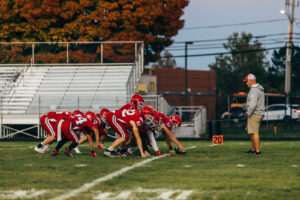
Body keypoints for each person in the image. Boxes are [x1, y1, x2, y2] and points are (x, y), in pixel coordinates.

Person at [243, 74, 265, 155]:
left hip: (254, 113)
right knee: (252, 131)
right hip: (258, 112)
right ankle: (253, 150)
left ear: (252, 80)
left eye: (247, 81)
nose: (246, 83)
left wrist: (248, 113)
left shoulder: (254, 90)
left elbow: (252, 105)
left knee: (254, 132)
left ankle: (257, 151)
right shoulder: (259, 89)